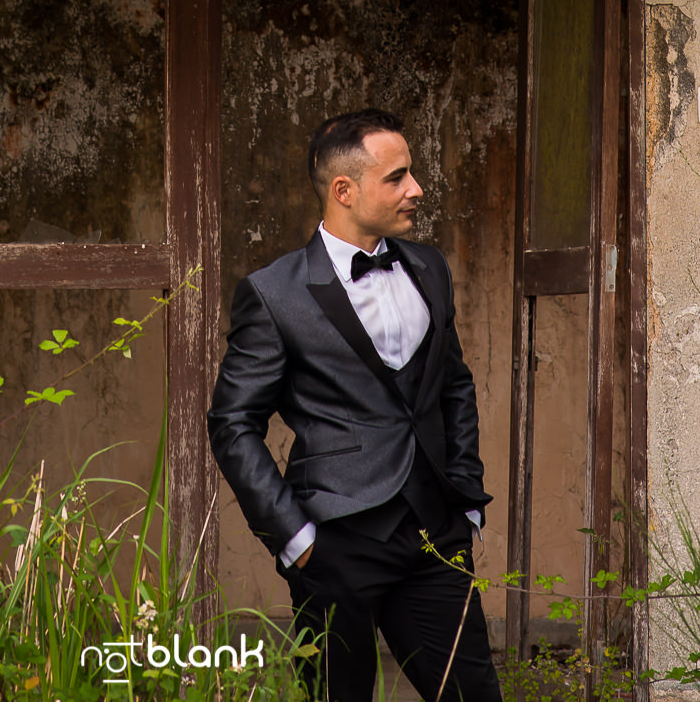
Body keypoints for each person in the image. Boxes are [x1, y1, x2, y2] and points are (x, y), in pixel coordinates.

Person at [206, 109, 502, 702]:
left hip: (434, 535)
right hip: (334, 541)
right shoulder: (273, 293)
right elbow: (233, 422)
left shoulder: (430, 269)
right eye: (397, 177)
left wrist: (465, 499)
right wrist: (295, 539)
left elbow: (453, 386)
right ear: (345, 190)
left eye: (411, 174)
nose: (416, 189)